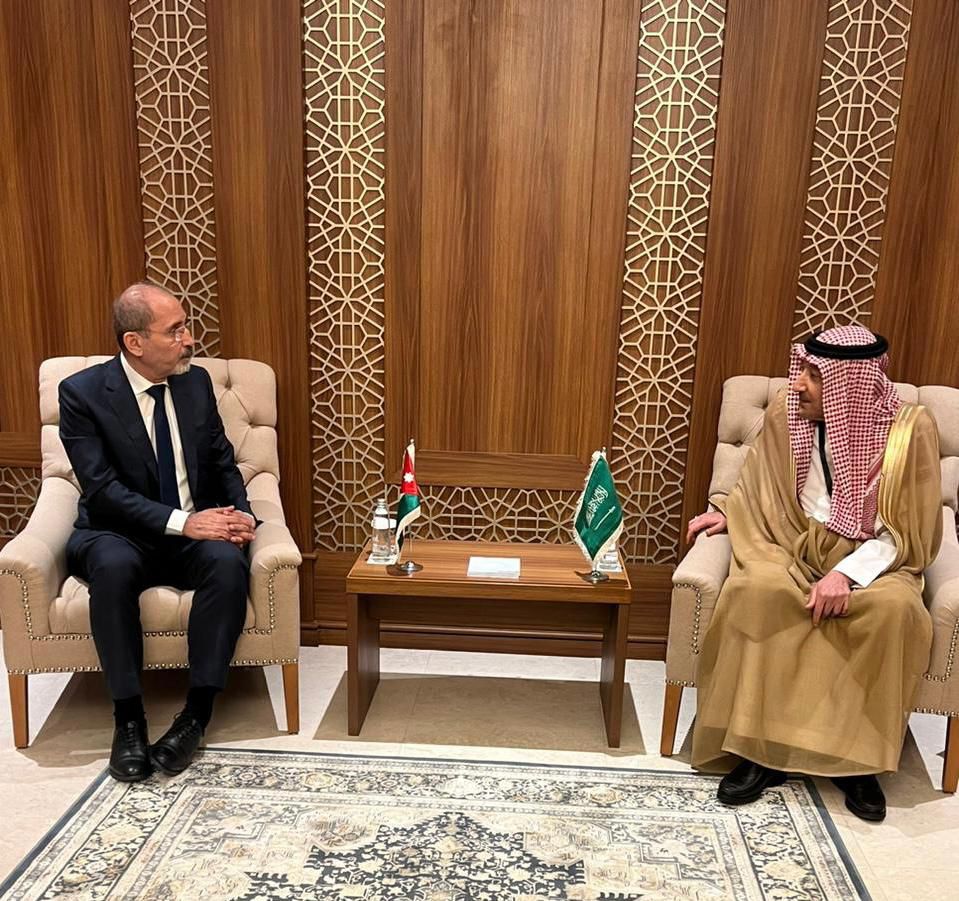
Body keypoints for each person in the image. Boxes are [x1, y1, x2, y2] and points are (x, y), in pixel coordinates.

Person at [686, 325, 942, 822]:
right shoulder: (788, 412)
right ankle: (757, 750)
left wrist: (846, 575)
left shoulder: (910, 431)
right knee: (756, 592)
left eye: (813, 375)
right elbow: (760, 483)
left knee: (892, 612)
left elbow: (911, 528)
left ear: (849, 385)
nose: (798, 383)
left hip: (876, 557)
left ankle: (858, 763)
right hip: (790, 543)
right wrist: (730, 512)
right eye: (801, 369)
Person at [59, 282, 257, 782]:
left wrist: (240, 516)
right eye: (175, 331)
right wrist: (184, 522)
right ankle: (128, 720)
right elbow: (102, 490)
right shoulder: (83, 394)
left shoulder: (195, 383)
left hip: (192, 534)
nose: (189, 339)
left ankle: (195, 716)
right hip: (119, 531)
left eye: (186, 327)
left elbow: (222, 460)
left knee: (227, 564)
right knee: (113, 567)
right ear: (135, 343)